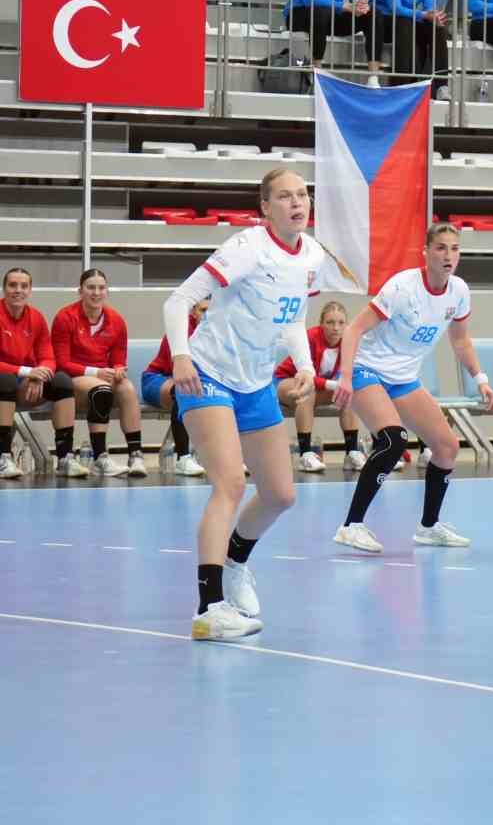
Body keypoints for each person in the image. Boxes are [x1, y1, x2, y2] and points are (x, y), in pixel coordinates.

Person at [164, 168, 334, 641]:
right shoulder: (246, 248)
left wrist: (304, 365)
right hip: (208, 375)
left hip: (256, 382)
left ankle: (236, 562)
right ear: (265, 207)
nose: (297, 203)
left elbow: (294, 315)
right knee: (231, 483)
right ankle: (209, 606)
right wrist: (180, 356)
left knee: (281, 494)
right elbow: (177, 302)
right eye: (285, 196)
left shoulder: (312, 254)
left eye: (302, 195)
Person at [328, 223, 493, 553]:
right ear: (427, 252)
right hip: (368, 369)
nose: (449, 255)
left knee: (446, 445)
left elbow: (460, 341)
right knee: (393, 440)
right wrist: (346, 376)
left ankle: (429, 527)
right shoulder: (402, 288)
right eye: (441, 248)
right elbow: (354, 330)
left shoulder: (458, 291)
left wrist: (481, 380)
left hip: (404, 378)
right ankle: (351, 526)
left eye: (455, 249)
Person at [51, 268, 141, 477]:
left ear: (106, 291)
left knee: (127, 388)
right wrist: (96, 372)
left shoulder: (116, 320)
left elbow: (119, 358)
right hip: (73, 377)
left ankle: (135, 454)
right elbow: (61, 362)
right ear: (80, 291)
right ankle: (101, 457)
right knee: (101, 389)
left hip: (101, 376)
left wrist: (118, 369)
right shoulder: (65, 317)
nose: (96, 292)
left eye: (101, 288)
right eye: (91, 287)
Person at [0, 266, 79, 480]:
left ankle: (65, 458)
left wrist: (39, 374)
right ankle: (3, 456)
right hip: (5, 382)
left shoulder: (36, 318)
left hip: (27, 383)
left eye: (24, 286)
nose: (18, 290)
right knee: (5, 380)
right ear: (4, 288)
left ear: (30, 290)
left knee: (62, 381)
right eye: (12, 285)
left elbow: (48, 356)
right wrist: (28, 371)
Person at [272, 298, 357, 473]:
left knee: (348, 395)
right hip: (287, 383)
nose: (336, 327)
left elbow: (347, 371)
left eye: (341, 323)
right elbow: (307, 377)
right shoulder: (310, 337)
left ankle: (352, 453)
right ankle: (305, 455)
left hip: (318, 388)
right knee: (307, 391)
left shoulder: (348, 340)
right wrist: (334, 384)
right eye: (330, 322)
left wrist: (341, 385)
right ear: (321, 324)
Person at [140, 300, 208, 479]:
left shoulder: (221, 331)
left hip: (197, 383)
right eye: (203, 310)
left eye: (212, 310)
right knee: (184, 390)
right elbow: (180, 369)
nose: (207, 315)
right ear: (193, 311)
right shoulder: (181, 329)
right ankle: (183, 458)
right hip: (158, 379)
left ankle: (229, 457)